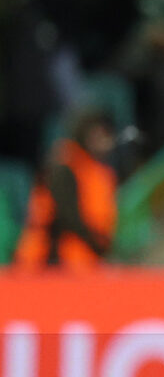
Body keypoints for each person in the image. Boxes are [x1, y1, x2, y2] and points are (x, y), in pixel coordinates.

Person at [13, 107, 119, 269]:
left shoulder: (99, 171)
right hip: (53, 262)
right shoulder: (64, 166)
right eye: (96, 134)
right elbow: (66, 217)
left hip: (82, 260)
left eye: (106, 134)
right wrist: (97, 244)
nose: (102, 141)